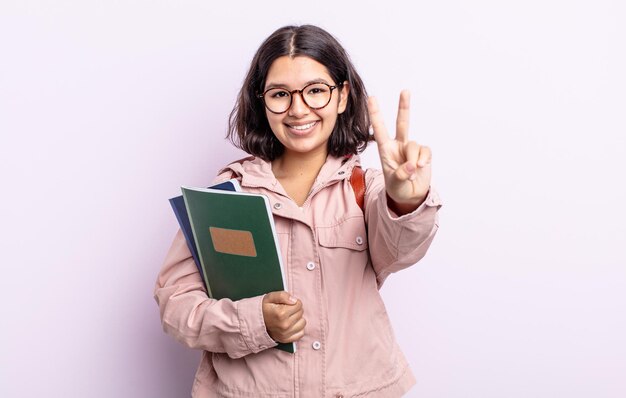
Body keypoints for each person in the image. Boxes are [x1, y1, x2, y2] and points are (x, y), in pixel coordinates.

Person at [154, 24, 442, 397]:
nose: (298, 109)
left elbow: (401, 250)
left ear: (342, 96)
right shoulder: (228, 195)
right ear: (262, 102)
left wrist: (405, 199)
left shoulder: (366, 190)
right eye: (280, 94)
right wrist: (255, 323)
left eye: (316, 91)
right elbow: (176, 305)